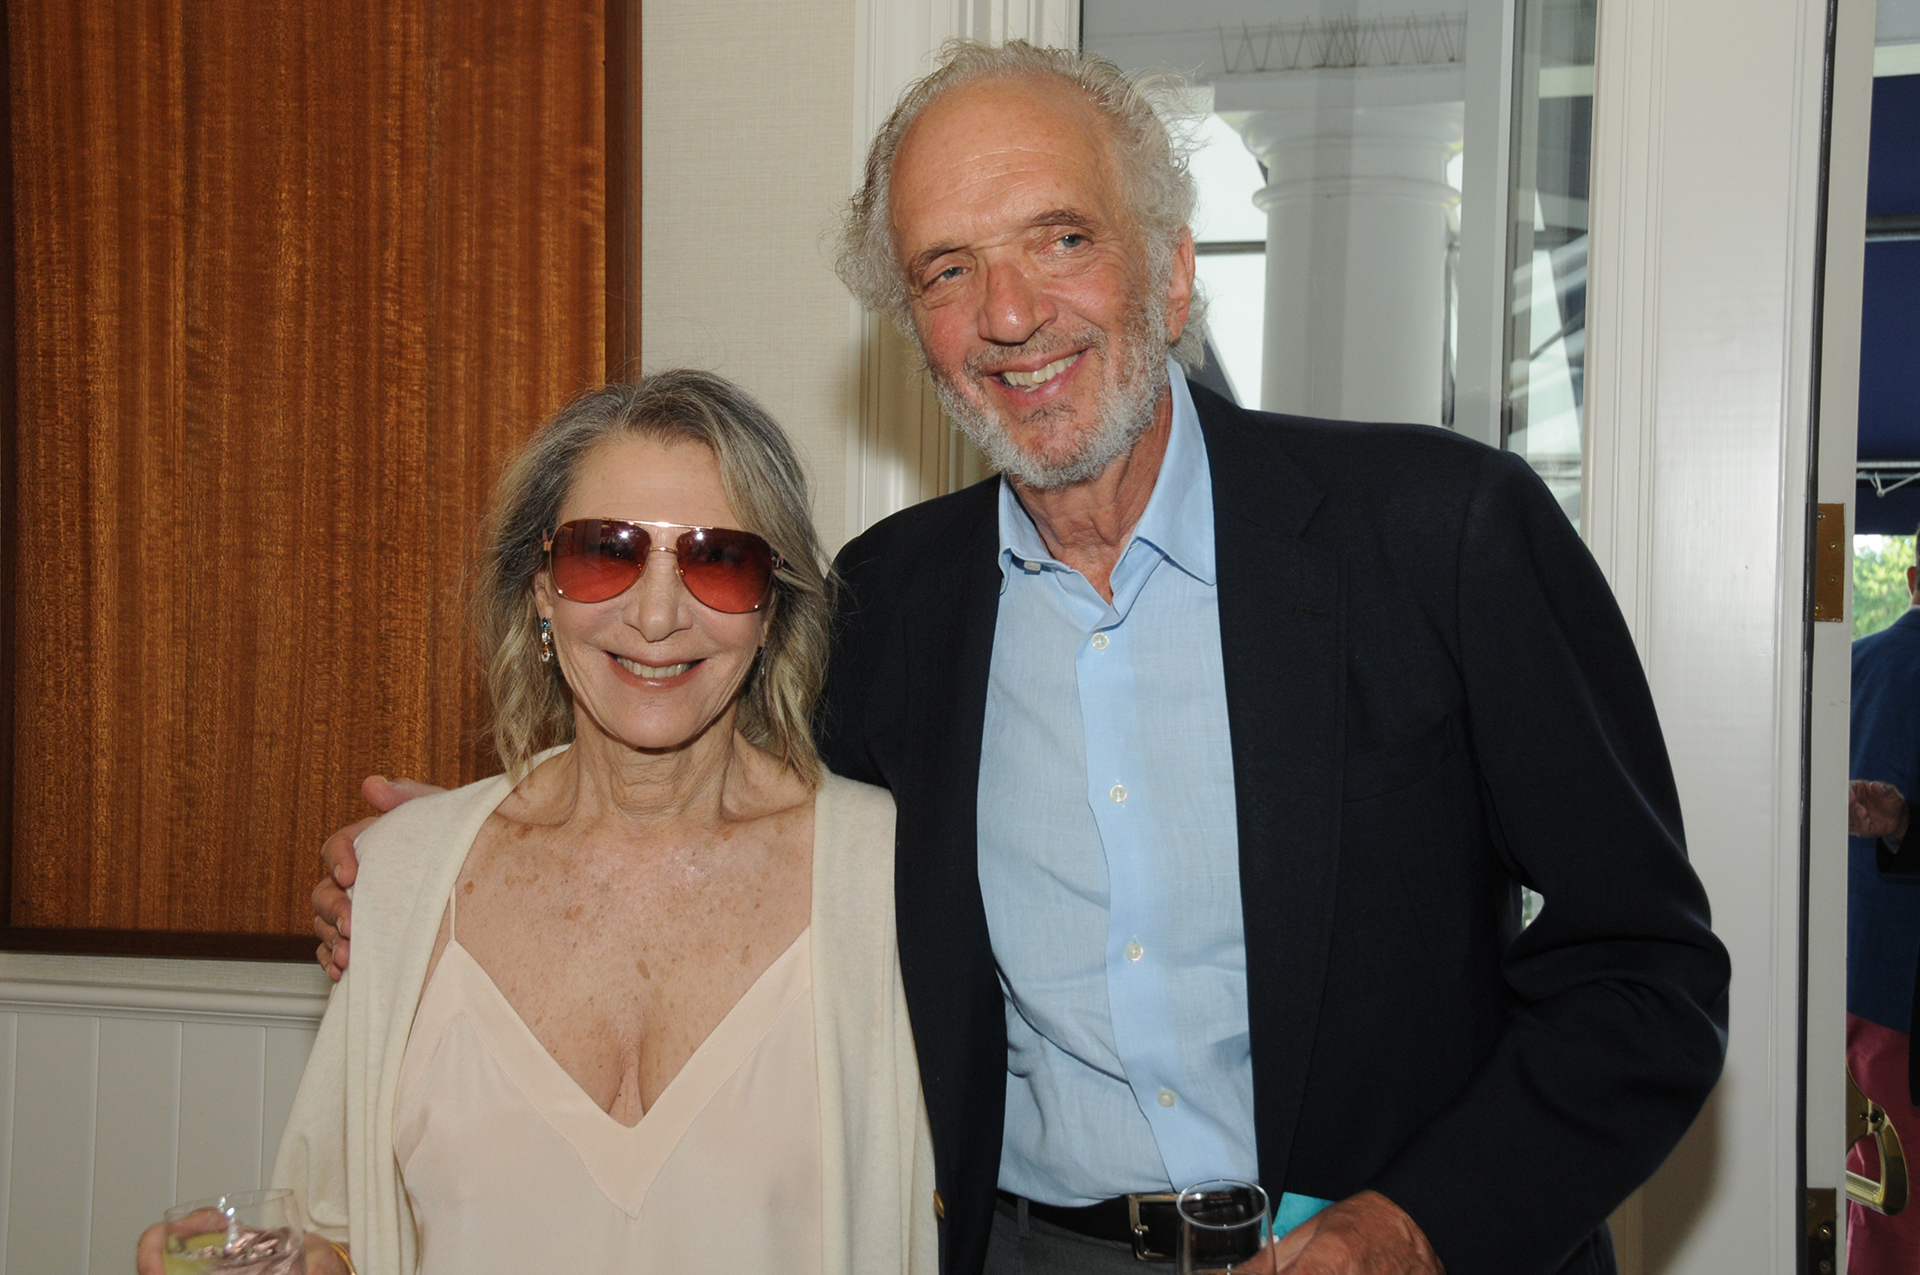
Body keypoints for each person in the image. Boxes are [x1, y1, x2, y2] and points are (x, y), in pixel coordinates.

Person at [315, 43, 1730, 1275]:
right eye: (948, 269)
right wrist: (464, 867)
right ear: (916, 329)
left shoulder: (1441, 535)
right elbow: (725, 809)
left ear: (1172, 270)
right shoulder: (888, 610)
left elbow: (1646, 969)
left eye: (1060, 238)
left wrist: (1418, 1224)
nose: (1007, 313)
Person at [148, 373, 936, 1275]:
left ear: (772, 609)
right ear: (540, 590)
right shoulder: (404, 880)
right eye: (604, 553)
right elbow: (341, 1231)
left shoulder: (887, 872)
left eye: (718, 560)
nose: (656, 614)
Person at [1843, 534, 1920, 1271]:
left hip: (1845, 976)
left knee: (1875, 1197)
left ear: (1911, 578)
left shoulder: (1850, 665)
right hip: (1906, 989)